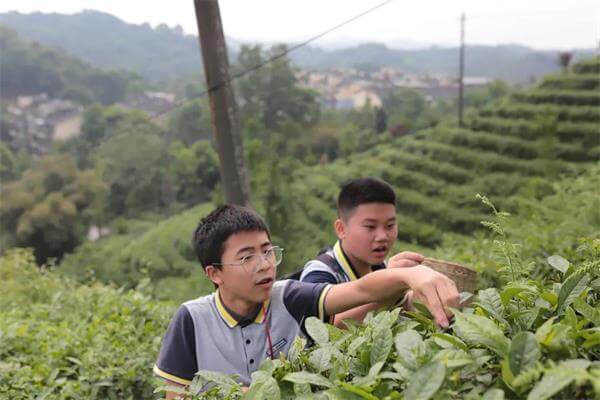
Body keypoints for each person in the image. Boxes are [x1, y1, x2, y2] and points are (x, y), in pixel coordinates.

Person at [154, 204, 458, 398]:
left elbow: (359, 291)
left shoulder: (288, 296)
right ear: (215, 273)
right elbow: (175, 396)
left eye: (267, 250)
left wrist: (411, 277)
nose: (264, 265)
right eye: (247, 257)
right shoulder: (192, 320)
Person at [301, 177, 444, 328]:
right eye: (370, 227)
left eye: (390, 225)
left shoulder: (380, 265)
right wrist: (390, 286)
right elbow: (320, 329)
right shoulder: (319, 273)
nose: (382, 236)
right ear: (341, 229)